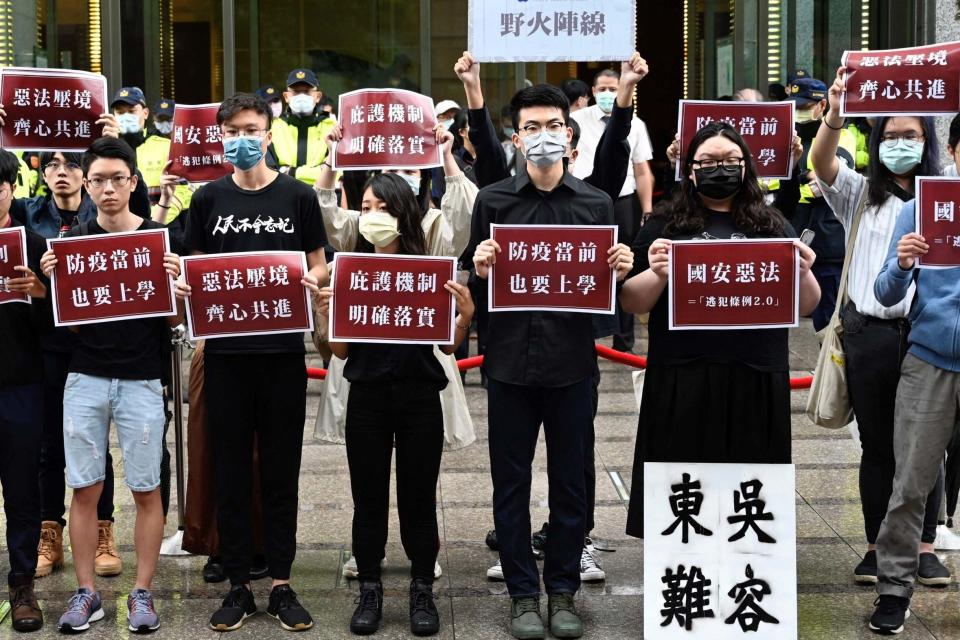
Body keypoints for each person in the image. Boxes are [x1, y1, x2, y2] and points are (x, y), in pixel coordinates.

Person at [456, 51, 644, 587]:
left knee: (571, 476)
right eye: (531, 127)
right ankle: (519, 581)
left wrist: (621, 265)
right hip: (510, 361)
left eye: (553, 125)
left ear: (570, 135)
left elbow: (609, 272)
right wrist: (481, 265)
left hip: (572, 363)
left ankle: (566, 573)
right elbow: (473, 266)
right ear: (517, 139)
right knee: (510, 480)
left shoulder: (595, 203)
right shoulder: (494, 201)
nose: (543, 135)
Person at [619, 122, 820, 536]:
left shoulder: (771, 224)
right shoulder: (665, 224)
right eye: (708, 162)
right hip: (683, 373)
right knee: (684, 487)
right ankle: (684, 576)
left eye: (730, 161)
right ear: (689, 170)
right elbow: (632, 300)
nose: (720, 169)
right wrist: (658, 273)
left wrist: (802, 272)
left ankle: (747, 570)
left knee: (748, 488)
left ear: (747, 167)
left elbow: (806, 304)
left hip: (755, 373)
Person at [179, 92, 328, 632]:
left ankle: (282, 582)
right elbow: (194, 268)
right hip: (225, 357)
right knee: (232, 470)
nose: (241, 139)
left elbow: (318, 263)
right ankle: (239, 583)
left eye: (250, 128)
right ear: (221, 136)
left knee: (282, 471)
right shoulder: (207, 200)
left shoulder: (298, 196)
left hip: (283, 354)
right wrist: (184, 286)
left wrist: (318, 283)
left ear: (267, 134)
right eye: (231, 130)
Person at [313, 123, 478, 580]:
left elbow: (463, 215)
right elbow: (327, 212)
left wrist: (447, 156)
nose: (373, 214)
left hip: (420, 390)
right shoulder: (354, 248)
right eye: (366, 206)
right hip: (366, 389)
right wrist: (331, 159)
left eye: (384, 207)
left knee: (418, 493)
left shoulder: (431, 241)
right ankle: (370, 573)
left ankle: (422, 571)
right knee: (367, 494)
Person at [811, 66, 950, 592]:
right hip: (867, 330)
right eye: (889, 136)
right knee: (877, 445)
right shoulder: (859, 196)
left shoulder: (945, 198)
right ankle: (875, 544)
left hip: (925, 335)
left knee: (926, 444)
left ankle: (925, 546)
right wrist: (835, 111)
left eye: (909, 136)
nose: (899, 144)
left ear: (926, 140)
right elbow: (822, 163)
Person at [39, 137, 183, 634]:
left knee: (147, 488)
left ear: (133, 182)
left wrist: (175, 285)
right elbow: (71, 325)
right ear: (85, 182)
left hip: (143, 379)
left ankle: (142, 594)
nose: (106, 189)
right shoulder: (72, 245)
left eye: (116, 179)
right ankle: (87, 595)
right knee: (84, 488)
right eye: (96, 179)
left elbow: (172, 320)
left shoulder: (159, 239)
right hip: (85, 378)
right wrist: (53, 287)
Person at [867, 173, 960, 634]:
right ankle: (894, 591)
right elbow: (884, 292)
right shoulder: (924, 206)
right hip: (929, 359)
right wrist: (903, 264)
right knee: (909, 483)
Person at [0, 148, 50, 632]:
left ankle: (22, 585)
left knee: (21, 490)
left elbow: (60, 325)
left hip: (19, 386)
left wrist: (39, 295)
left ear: (11, 189)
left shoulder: (33, 245)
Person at [571, 68, 654, 352]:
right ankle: (584, 327)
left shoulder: (636, 124)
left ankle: (623, 341)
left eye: (613, 88)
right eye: (602, 89)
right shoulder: (575, 121)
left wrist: (647, 208)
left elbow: (642, 170)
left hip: (622, 201)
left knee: (623, 266)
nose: (607, 94)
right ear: (593, 91)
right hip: (582, 198)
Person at [780, 75, 857, 330]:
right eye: (794, 107)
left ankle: (830, 367)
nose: (798, 113)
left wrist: (804, 174)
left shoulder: (842, 135)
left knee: (831, 315)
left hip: (829, 233)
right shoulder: (788, 135)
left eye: (803, 107)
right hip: (799, 225)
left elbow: (830, 178)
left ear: (822, 105)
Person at [268, 68, 337, 186]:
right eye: (296, 92)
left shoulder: (331, 127)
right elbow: (269, 171)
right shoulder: (273, 127)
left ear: (318, 96)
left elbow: (335, 171)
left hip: (319, 197)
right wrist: (318, 169)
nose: (301, 96)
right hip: (283, 195)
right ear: (286, 96)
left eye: (307, 91)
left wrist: (291, 172)